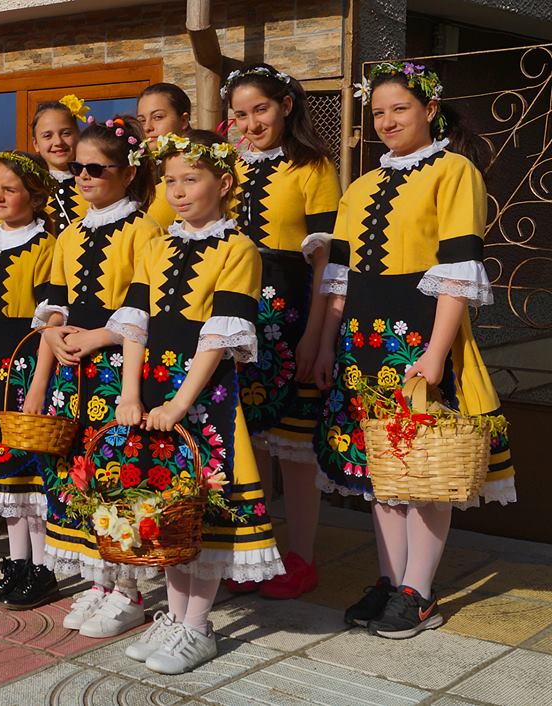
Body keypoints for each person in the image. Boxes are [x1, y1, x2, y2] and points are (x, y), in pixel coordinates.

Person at [313, 62, 515, 639]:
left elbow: (457, 274)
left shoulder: (454, 171)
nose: (387, 121)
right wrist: (326, 346)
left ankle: (419, 592)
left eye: (399, 108)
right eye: (378, 112)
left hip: (417, 337)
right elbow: (339, 281)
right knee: (380, 468)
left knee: (424, 467)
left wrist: (435, 352)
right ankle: (389, 579)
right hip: (362, 343)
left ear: (429, 109)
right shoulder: (359, 187)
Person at [108, 130, 283, 673]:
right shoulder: (155, 246)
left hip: (204, 399)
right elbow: (134, 326)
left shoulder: (238, 249)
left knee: (202, 510)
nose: (178, 191)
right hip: (152, 392)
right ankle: (174, 616)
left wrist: (182, 403)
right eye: (170, 181)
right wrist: (130, 393)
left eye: (191, 179)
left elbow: (218, 337)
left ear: (224, 182)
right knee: (167, 509)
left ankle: (198, 626)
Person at [37, 115, 162, 638]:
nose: (84, 176)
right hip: (74, 374)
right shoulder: (70, 233)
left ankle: (129, 588)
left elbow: (146, 310)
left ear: (128, 173)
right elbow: (54, 304)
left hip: (117, 369)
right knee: (77, 471)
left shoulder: (144, 231)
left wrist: (98, 338)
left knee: (118, 471)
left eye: (96, 168)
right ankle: (98, 578)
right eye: (78, 168)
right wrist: (53, 335)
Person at [224, 63, 341, 598]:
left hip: (291, 312)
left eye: (261, 110)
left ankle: (302, 557)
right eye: (240, 114)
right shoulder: (227, 165)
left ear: (286, 106)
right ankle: (256, 551)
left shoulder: (313, 166)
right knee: (248, 441)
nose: (251, 124)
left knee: (293, 444)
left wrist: (317, 335)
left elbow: (327, 261)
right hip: (235, 308)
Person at [0, 151, 58, 609]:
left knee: (31, 470)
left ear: (35, 198)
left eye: (11, 189)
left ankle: (43, 567)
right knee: (6, 470)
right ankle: (17, 562)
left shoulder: (45, 246)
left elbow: (50, 324)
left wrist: (39, 384)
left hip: (28, 370)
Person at [30, 95, 90, 233]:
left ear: (78, 136)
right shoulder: (31, 187)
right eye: (47, 136)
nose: (58, 142)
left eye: (66, 133)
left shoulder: (94, 181)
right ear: (36, 144)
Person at [136, 83, 192, 228]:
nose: (147, 127)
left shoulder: (199, 168)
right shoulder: (137, 170)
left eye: (158, 117)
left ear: (183, 120)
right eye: (141, 120)